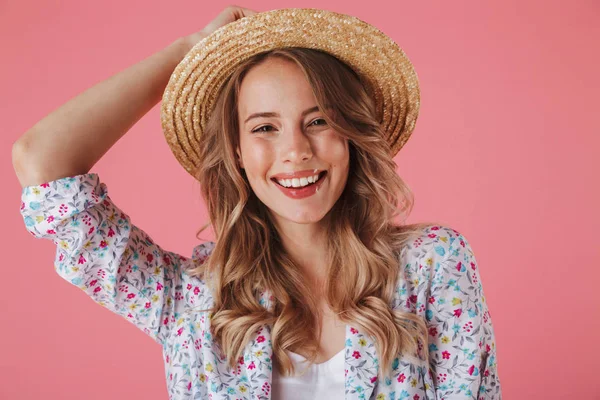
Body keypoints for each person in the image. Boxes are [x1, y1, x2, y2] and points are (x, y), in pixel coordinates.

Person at [13, 6, 502, 400]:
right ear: (239, 154)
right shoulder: (192, 301)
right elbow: (42, 163)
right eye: (265, 127)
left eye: (319, 120)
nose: (296, 151)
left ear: (352, 136)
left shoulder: (434, 264)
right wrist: (187, 54)